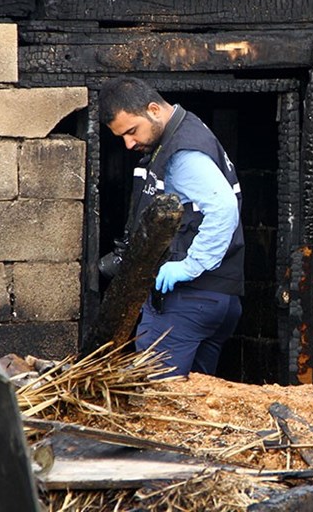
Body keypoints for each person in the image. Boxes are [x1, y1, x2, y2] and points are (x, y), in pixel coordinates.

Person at [99, 76, 244, 381]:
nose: (128, 143)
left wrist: (190, 267)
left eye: (131, 131)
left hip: (186, 302)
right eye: (121, 137)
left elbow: (223, 208)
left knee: (154, 398)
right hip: (218, 298)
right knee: (196, 404)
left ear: (153, 109)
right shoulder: (189, 131)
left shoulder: (182, 153)